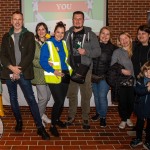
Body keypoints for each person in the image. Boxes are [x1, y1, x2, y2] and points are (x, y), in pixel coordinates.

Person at [0, 11, 50, 140]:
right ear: (11, 21)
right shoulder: (6, 37)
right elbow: (3, 55)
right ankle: (19, 121)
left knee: (31, 99)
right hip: (10, 72)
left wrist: (18, 70)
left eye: (20, 19)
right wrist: (12, 68)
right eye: (15, 19)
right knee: (13, 98)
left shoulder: (29, 35)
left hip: (23, 72)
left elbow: (30, 55)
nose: (17, 21)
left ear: (23, 21)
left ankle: (40, 127)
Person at [64, 11, 101, 129]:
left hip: (86, 70)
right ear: (72, 20)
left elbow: (98, 51)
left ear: (83, 20)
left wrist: (86, 52)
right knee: (72, 94)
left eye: (80, 19)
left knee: (86, 95)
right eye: (75, 19)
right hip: (72, 69)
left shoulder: (90, 34)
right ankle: (71, 116)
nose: (78, 21)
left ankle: (85, 117)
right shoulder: (67, 34)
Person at [40, 21, 72, 137]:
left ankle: (57, 119)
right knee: (58, 101)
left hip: (65, 75)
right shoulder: (48, 44)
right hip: (54, 76)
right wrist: (54, 71)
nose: (60, 34)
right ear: (54, 32)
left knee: (62, 101)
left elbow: (65, 60)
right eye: (58, 32)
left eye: (62, 33)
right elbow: (42, 61)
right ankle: (53, 125)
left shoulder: (63, 43)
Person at [91, 26, 117, 127]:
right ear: (99, 34)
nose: (105, 36)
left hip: (105, 77)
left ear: (110, 36)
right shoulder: (93, 46)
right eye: (103, 33)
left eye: (107, 34)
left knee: (102, 97)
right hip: (93, 76)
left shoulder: (113, 48)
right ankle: (98, 113)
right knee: (97, 97)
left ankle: (103, 117)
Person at [111, 32, 134, 129]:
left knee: (132, 102)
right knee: (123, 102)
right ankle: (124, 119)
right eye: (121, 39)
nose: (124, 40)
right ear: (119, 42)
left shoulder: (136, 50)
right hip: (123, 81)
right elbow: (112, 66)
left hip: (136, 81)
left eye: (125, 38)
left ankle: (128, 117)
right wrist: (121, 70)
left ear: (130, 38)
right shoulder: (117, 52)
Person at [31, 22, 51, 126]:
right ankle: (38, 119)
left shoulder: (50, 42)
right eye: (39, 29)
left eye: (43, 29)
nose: (41, 31)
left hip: (50, 75)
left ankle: (42, 114)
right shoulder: (34, 43)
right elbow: (33, 60)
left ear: (46, 31)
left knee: (47, 97)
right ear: (37, 32)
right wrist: (45, 64)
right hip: (39, 75)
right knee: (43, 97)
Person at [130, 61, 150, 150]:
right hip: (140, 107)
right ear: (143, 71)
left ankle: (148, 141)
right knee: (139, 124)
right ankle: (138, 138)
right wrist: (147, 88)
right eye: (147, 71)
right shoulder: (140, 80)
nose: (148, 73)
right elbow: (138, 91)